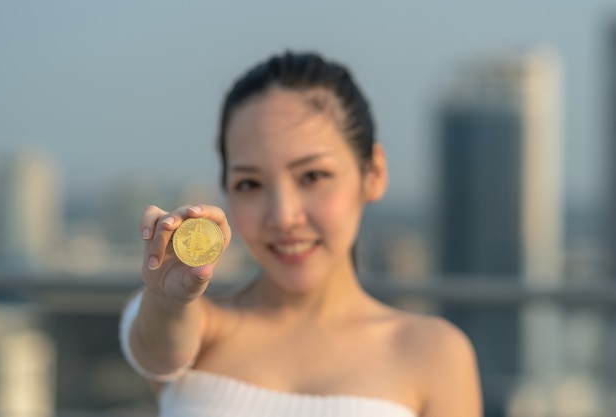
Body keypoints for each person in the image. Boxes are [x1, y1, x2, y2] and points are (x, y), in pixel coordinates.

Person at [119, 51, 482, 417]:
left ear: (373, 174)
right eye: (250, 183)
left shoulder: (433, 352)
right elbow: (159, 348)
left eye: (313, 176)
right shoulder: (192, 325)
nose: (283, 216)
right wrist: (167, 299)